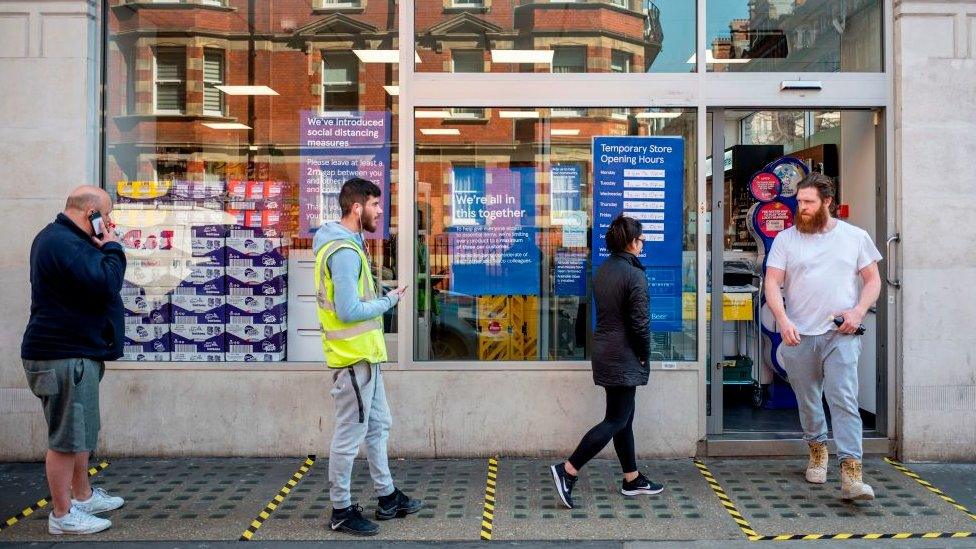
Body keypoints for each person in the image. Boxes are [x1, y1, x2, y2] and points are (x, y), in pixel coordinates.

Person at [312, 178, 422, 536]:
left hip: (366, 358)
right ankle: (342, 509)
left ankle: (388, 496)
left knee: (378, 426)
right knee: (349, 436)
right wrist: (390, 301)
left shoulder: (350, 246)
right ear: (357, 207)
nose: (379, 212)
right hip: (353, 360)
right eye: (375, 205)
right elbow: (346, 310)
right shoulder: (343, 252)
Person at [764, 173, 882, 501]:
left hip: (840, 332)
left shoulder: (855, 237)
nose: (800, 208)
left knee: (843, 398)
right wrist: (783, 319)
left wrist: (858, 312)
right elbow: (772, 283)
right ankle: (818, 449)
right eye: (799, 201)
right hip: (798, 335)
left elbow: (873, 280)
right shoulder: (786, 239)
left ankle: (852, 474)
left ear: (827, 202)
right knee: (808, 398)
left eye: (808, 202)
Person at [21, 186, 127, 535]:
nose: (109, 223)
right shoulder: (61, 243)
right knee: (66, 439)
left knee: (80, 433)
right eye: (106, 216)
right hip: (63, 355)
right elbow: (105, 282)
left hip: (77, 352)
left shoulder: (69, 241)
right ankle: (63, 515)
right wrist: (112, 247)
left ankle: (81, 496)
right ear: (90, 214)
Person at [550, 215, 664, 509]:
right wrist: (644, 353)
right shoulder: (634, 275)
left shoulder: (603, 270)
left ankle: (632, 478)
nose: (643, 245)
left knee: (623, 418)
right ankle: (569, 470)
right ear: (632, 242)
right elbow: (640, 322)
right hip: (625, 352)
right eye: (641, 240)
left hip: (606, 349)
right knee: (616, 419)